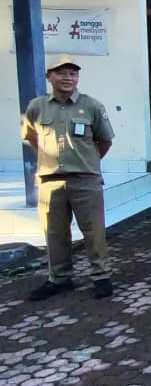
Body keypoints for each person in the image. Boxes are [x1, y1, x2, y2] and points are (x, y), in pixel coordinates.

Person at [22, 55, 116, 301]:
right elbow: (32, 138)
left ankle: (101, 276)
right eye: (61, 73)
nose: (67, 78)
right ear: (49, 77)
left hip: (85, 179)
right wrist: (47, 160)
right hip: (50, 180)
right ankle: (60, 278)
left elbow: (104, 141)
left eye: (72, 73)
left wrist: (87, 162)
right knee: (54, 232)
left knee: (93, 231)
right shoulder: (37, 107)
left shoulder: (92, 106)